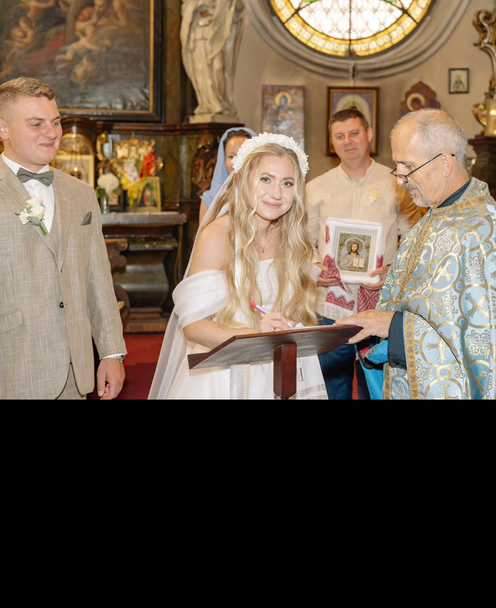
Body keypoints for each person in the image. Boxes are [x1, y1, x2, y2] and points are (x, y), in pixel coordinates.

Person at [340, 109, 496, 398]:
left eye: (408, 166)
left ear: (444, 162)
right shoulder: (433, 218)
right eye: (397, 166)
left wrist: (391, 326)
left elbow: (480, 348)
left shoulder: (481, 230)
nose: (400, 179)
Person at [0, 77, 124, 399]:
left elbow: (98, 278)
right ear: (2, 128)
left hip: (73, 370)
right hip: (3, 370)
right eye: (36, 124)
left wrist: (111, 352)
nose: (51, 133)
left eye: (55, 122)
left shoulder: (81, 194)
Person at [148, 132, 328, 399]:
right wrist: (255, 334)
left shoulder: (294, 239)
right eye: (266, 179)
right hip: (224, 372)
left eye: (287, 183)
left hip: (283, 368)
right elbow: (193, 326)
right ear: (244, 180)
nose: (276, 193)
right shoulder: (218, 235)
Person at [303, 108, 404, 400]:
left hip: (380, 305)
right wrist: (313, 269)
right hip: (330, 308)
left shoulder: (396, 182)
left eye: (354, 133)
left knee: (378, 388)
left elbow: (413, 237)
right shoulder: (316, 188)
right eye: (339, 135)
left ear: (369, 134)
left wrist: (393, 270)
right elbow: (302, 242)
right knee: (331, 387)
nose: (348, 141)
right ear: (332, 141)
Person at [195, 126, 256, 225]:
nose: (237, 162)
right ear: (223, 160)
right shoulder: (210, 198)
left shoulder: (265, 196)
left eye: (244, 155)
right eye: (231, 157)